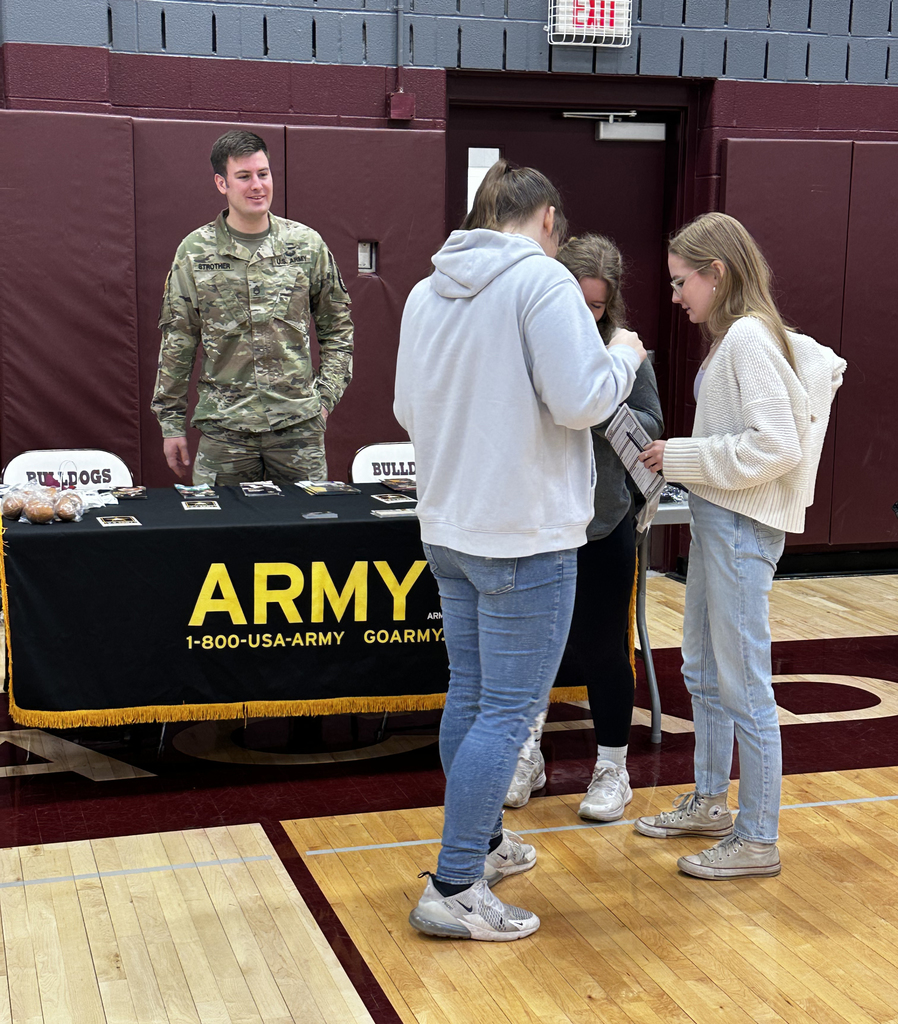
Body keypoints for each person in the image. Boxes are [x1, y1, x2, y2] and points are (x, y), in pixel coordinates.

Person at [394, 161, 646, 941]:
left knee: (470, 696)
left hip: (448, 528)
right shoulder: (542, 281)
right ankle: (456, 884)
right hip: (522, 535)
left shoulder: (426, 290)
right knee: (506, 710)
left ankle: (483, 845)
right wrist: (623, 356)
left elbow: (405, 407)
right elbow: (581, 399)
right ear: (547, 222)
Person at [634, 212, 846, 879]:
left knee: (744, 682)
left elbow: (776, 447)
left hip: (739, 526)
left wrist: (681, 456)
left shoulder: (749, 337)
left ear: (717, 273)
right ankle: (709, 803)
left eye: (682, 282)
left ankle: (757, 838)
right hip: (718, 520)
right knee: (703, 671)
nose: (676, 296)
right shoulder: (741, 336)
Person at [504, 234, 663, 820]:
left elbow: (650, 423)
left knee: (603, 649)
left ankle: (613, 768)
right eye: (579, 301)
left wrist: (595, 403)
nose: (589, 313)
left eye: (598, 305)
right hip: (538, 522)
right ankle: (527, 755)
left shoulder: (624, 347)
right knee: (529, 651)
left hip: (603, 521)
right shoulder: (525, 335)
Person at [151, 129, 353, 486]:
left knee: (307, 522)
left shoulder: (306, 245)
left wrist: (324, 399)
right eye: (244, 176)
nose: (257, 185)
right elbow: (178, 340)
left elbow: (338, 329)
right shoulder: (195, 252)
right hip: (225, 431)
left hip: (298, 430)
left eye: (263, 174)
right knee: (219, 522)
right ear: (222, 183)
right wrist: (171, 424)